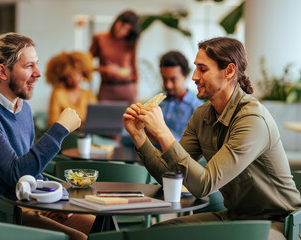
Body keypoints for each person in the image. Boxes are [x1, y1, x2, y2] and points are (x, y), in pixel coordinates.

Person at [123, 37, 301, 239]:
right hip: (236, 218)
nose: (194, 77)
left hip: (277, 223)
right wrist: (139, 136)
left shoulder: (252, 119)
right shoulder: (202, 115)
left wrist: (163, 132)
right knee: (157, 234)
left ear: (229, 71)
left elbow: (204, 185)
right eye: (195, 68)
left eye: (202, 69)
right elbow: (170, 175)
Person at [0, 32, 94, 240]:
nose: (38, 73)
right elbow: (17, 173)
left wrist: (56, 198)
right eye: (29, 66)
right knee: (78, 238)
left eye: (36, 64)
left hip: (25, 202)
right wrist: (60, 128)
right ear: (2, 71)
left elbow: (31, 171)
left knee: (103, 228)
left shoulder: (23, 109)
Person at [89, 10, 140, 104]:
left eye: (127, 30)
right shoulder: (100, 38)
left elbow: (134, 65)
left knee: (131, 117)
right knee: (104, 117)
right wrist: (104, 69)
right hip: (107, 89)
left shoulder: (130, 42)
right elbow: (86, 64)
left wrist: (136, 86)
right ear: (116, 21)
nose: (122, 31)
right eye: (121, 26)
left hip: (128, 88)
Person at [158, 51, 204, 142]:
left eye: (173, 79)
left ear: (185, 76)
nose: (168, 85)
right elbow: (126, 137)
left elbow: (195, 148)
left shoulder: (199, 110)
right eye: (164, 79)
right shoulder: (156, 104)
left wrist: (159, 135)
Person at [46, 51, 97, 128]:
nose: (77, 77)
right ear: (64, 75)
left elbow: (95, 118)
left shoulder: (88, 94)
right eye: (73, 74)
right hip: (66, 136)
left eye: (80, 73)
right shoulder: (58, 94)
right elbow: (52, 122)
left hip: (87, 134)